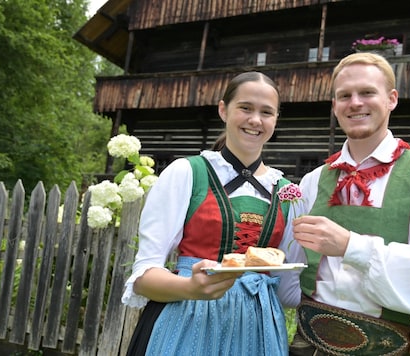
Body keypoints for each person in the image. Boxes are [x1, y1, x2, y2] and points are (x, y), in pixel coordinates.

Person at [282, 52, 410, 356]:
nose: (355, 103)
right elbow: (290, 267)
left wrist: (351, 247)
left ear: (391, 99)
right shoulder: (313, 181)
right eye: (344, 95)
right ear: (335, 106)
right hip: (308, 346)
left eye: (367, 92)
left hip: (385, 347)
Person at [121, 71, 303, 355]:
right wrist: (191, 288)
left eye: (266, 112)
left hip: (258, 332)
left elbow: (290, 290)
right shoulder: (187, 173)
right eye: (245, 108)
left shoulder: (287, 191)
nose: (255, 120)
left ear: (275, 119)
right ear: (223, 110)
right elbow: (144, 277)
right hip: (187, 321)